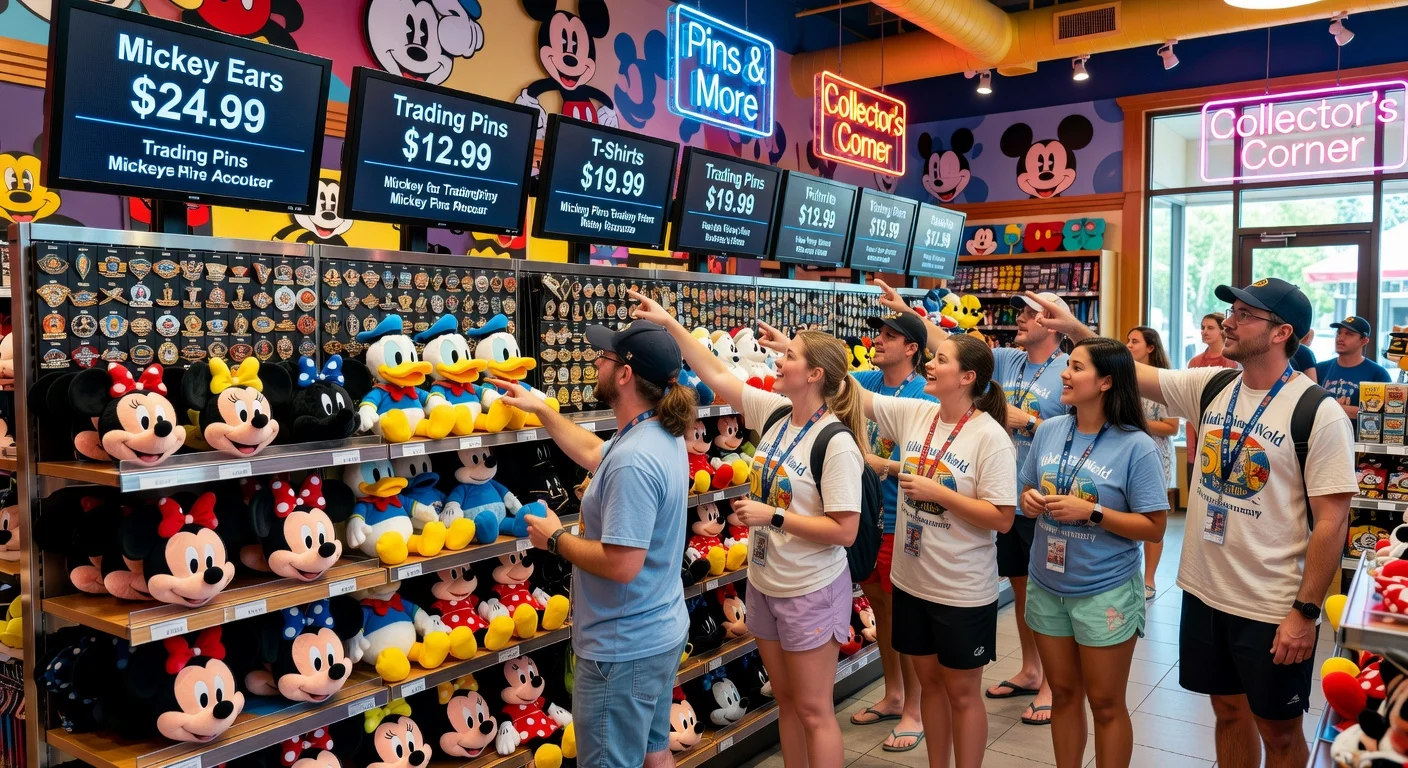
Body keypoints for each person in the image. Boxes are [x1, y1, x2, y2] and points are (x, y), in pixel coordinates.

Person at [1026, 278, 1355, 768]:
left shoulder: (1318, 413)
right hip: (1205, 590)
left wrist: (1305, 613)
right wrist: (1075, 327)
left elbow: (1333, 521)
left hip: (1271, 602)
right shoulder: (1214, 385)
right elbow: (1130, 373)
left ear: (1283, 331)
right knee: (1226, 711)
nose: (1230, 321)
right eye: (1233, 310)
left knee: (1281, 733)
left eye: (1246, 314)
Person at [629, 289, 864, 768]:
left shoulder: (836, 443)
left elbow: (844, 531)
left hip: (811, 588)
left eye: (790, 356)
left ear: (815, 374)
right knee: (788, 703)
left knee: (815, 709)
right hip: (765, 583)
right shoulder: (776, 415)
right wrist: (670, 323)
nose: (779, 360)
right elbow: (714, 373)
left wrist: (771, 515)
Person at [491, 319, 694, 768]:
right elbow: (594, 452)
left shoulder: (634, 461)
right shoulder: (656, 433)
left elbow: (622, 564)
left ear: (624, 374)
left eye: (604, 357)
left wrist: (555, 538)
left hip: (622, 650)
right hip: (659, 630)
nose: (595, 362)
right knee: (653, 751)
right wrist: (542, 409)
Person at [872, 281, 1066, 725]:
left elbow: (1079, 425)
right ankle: (1032, 668)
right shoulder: (1005, 360)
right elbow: (950, 347)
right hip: (990, 502)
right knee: (1019, 587)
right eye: (1018, 310)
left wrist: (1032, 422)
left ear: (1054, 323)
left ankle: (1054, 682)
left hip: (1040, 497)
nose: (1020, 317)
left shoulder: (1063, 370)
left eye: (1032, 313)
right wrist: (908, 313)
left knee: (1044, 593)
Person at [854, 331, 1017, 768]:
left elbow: (1002, 518)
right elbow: (852, 394)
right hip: (911, 582)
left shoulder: (990, 438)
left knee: (962, 694)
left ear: (966, 377)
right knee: (929, 686)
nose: (930, 364)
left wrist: (939, 493)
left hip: (961, 590)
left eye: (940, 360)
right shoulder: (917, 414)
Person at [1021, 337, 1170, 768]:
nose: (1065, 374)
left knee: (1105, 705)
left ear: (1106, 381)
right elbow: (1029, 485)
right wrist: (1030, 498)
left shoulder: (1135, 445)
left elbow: (1155, 525)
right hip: (1047, 583)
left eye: (1077, 367)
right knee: (1064, 695)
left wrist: (1095, 513)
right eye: (1068, 365)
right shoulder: (1049, 430)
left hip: (1104, 589)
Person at [846, 311, 933, 753]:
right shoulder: (870, 382)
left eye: (888, 336)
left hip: (904, 521)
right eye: (877, 334)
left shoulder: (924, 396)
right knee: (880, 610)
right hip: (867, 518)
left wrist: (887, 466)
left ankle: (915, 709)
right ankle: (894, 694)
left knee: (905, 617)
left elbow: (934, 463)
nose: (877, 341)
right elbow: (833, 373)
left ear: (912, 348)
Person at [1126, 326, 1179, 601]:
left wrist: (1137, 423)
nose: (1128, 344)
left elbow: (1172, 427)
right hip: (1126, 453)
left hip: (1156, 456)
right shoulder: (1123, 379)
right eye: (1127, 340)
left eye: (1134, 341)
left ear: (1150, 348)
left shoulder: (1164, 382)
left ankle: (1149, 578)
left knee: (1152, 518)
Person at [1314, 315, 1390, 418]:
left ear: (1364, 340)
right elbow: (1311, 407)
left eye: (1348, 334)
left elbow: (1384, 414)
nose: (1340, 338)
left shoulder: (1378, 374)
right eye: (1339, 333)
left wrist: (1331, 407)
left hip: (1359, 433)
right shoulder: (1320, 369)